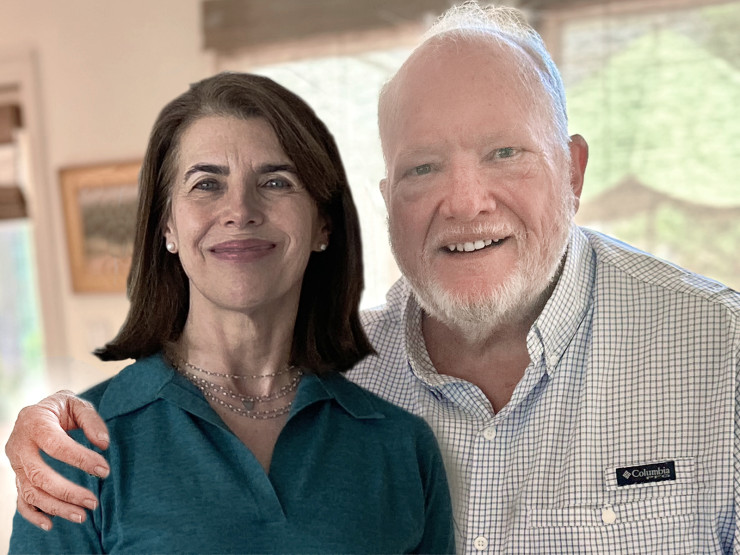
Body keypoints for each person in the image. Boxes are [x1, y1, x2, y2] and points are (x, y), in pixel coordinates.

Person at [7, 2, 740, 553]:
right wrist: (52, 420)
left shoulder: (721, 356)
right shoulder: (352, 369)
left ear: (574, 170)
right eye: (424, 167)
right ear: (387, 200)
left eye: (504, 152)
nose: (465, 202)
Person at [7, 71, 455, 554]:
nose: (240, 210)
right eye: (206, 185)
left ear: (323, 223)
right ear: (168, 228)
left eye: (276, 181)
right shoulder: (78, 449)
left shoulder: (402, 447)